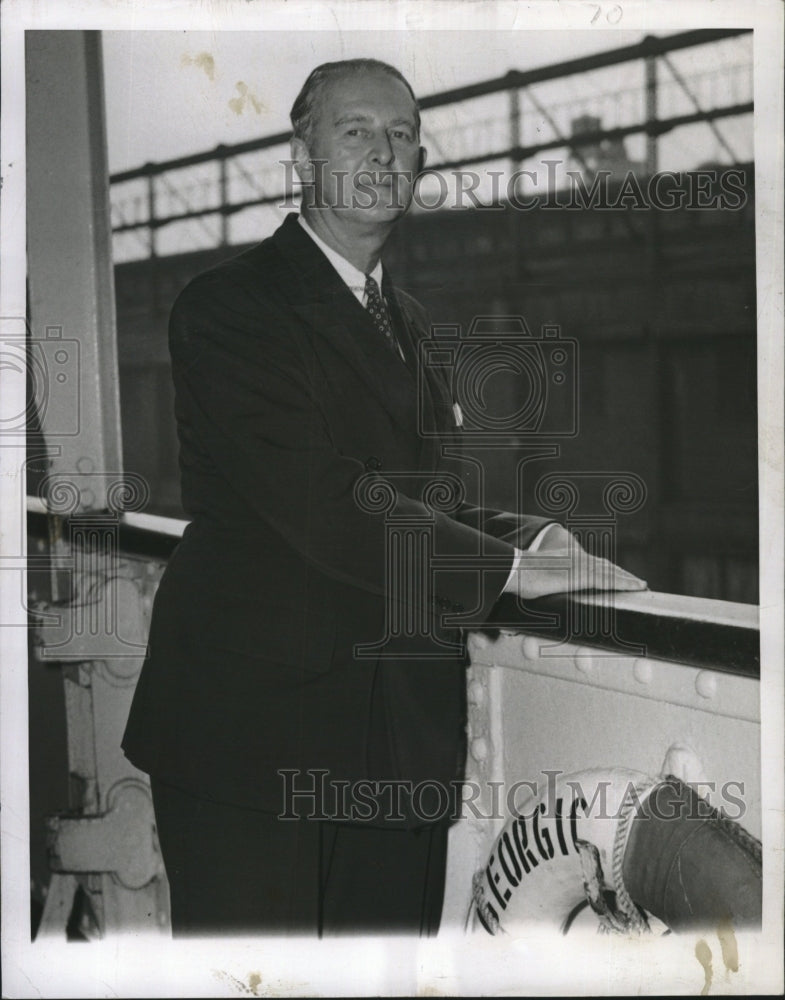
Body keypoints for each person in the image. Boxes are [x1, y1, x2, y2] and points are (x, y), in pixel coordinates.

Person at [121, 58, 646, 937]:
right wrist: (510, 571)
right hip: (256, 743)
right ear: (301, 154)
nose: (381, 151)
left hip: (393, 740)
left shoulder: (403, 321)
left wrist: (538, 533)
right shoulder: (229, 307)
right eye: (354, 129)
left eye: (400, 135)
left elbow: (415, 495)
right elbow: (321, 498)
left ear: (420, 163)